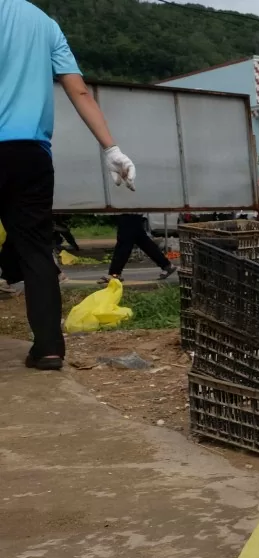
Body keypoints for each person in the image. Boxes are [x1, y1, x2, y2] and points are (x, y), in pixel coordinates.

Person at [0, 0, 135, 369]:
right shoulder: (45, 25)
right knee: (35, 251)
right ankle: (48, 348)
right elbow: (79, 92)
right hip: (30, 154)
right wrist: (111, 148)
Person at [99, 214, 175, 283]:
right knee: (141, 239)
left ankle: (114, 273)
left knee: (125, 240)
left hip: (128, 209)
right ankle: (166, 265)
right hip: (131, 209)